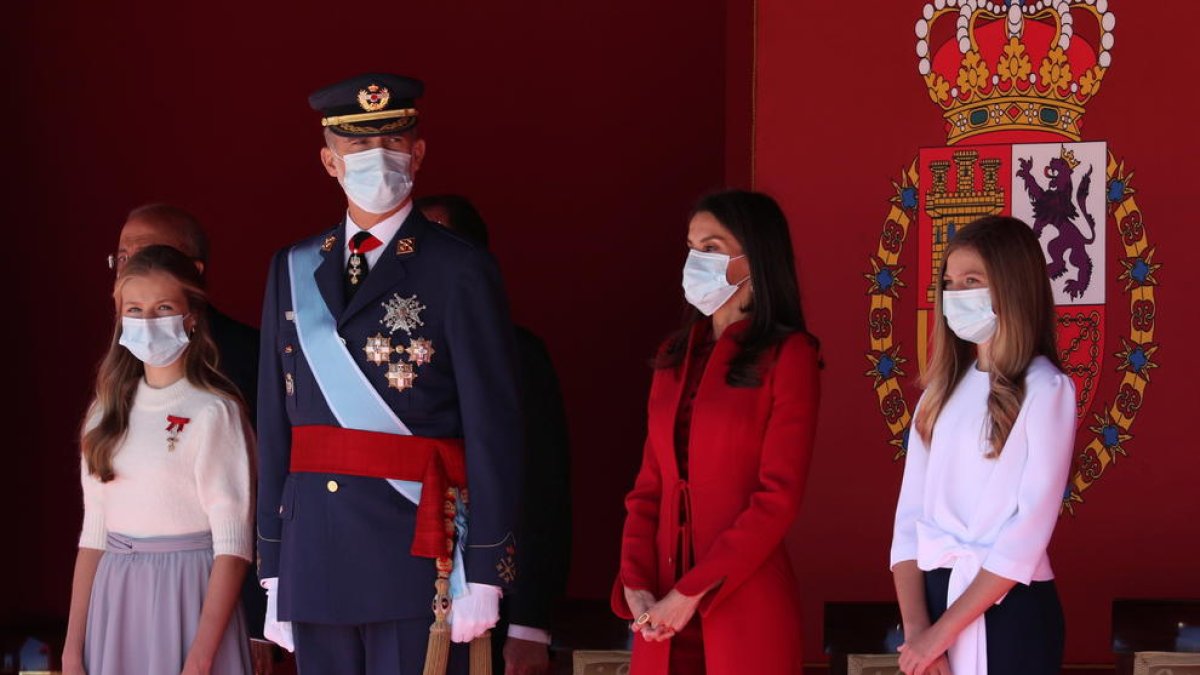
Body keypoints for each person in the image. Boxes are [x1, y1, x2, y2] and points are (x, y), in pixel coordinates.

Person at [256, 73, 523, 675]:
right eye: (357, 146)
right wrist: (272, 565)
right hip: (316, 548)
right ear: (329, 160)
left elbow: (495, 429)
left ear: (419, 153)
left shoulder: (461, 270)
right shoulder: (293, 266)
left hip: (417, 552)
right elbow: (276, 423)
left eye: (394, 141)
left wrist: (485, 568)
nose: (378, 158)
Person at [612, 190, 822, 674]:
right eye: (692, 248)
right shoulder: (673, 354)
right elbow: (648, 488)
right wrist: (635, 580)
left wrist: (691, 592)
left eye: (711, 247)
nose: (696, 260)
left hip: (741, 601)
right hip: (661, 611)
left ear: (754, 259)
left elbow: (778, 498)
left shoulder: (789, 355)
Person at [890, 215, 1075, 675]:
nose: (956, 295)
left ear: (1012, 287)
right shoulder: (938, 394)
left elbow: (1026, 533)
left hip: (1008, 609)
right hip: (933, 600)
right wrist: (918, 630)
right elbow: (909, 519)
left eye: (971, 281)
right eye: (949, 283)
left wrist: (943, 632)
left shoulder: (1046, 389)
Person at [63, 245, 254, 674]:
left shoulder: (213, 411)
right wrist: (73, 648)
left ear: (190, 316)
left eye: (163, 307)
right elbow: (92, 537)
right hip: (115, 598)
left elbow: (232, 547)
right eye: (135, 309)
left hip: (188, 594)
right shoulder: (104, 413)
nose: (147, 323)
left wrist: (202, 657)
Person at [107, 203, 273, 672]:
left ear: (193, 273)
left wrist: (259, 619)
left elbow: (262, 500)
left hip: (222, 598)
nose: (131, 266)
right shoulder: (116, 378)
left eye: (148, 252)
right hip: (127, 597)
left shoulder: (247, 359)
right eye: (121, 256)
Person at [418, 194, 572, 675]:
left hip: (494, 605)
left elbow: (544, 492)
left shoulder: (517, 354)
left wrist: (530, 625)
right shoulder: (380, 358)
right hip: (400, 596)